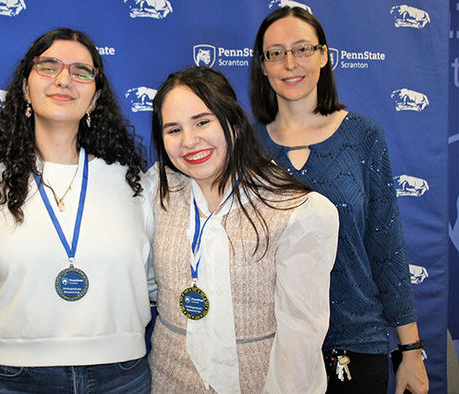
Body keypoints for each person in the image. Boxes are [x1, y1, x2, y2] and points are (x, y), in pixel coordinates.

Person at [0, 28, 152, 393]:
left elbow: (158, 281)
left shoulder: (132, 182)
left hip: (120, 377)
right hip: (7, 379)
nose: (63, 79)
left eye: (81, 71)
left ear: (95, 98)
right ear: (25, 89)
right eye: (49, 66)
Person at [249, 6, 429, 393]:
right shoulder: (245, 146)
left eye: (302, 49)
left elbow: (387, 249)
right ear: (263, 66)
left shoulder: (364, 136)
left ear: (324, 55)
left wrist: (411, 349)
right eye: (275, 53)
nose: (290, 63)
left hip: (355, 347)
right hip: (268, 348)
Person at [145, 66, 339, 393]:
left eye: (203, 121)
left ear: (233, 122)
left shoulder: (297, 211)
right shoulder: (157, 190)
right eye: (173, 129)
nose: (189, 141)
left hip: (256, 381)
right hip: (168, 378)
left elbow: (301, 334)